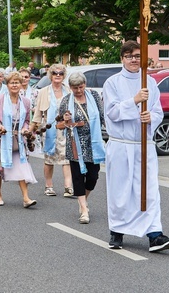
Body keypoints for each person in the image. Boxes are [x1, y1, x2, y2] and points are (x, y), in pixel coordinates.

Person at [103, 40, 169, 252]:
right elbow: (112, 113)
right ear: (122, 58)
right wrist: (134, 101)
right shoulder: (113, 83)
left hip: (144, 144)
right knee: (121, 191)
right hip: (121, 145)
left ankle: (155, 234)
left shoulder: (151, 83)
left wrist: (150, 118)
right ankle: (117, 230)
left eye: (137, 56)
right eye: (129, 56)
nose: (134, 60)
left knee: (149, 190)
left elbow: (158, 111)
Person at [57, 71, 105, 224]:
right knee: (77, 177)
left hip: (93, 142)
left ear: (85, 84)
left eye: (81, 87)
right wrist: (65, 120)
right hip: (75, 143)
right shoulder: (66, 101)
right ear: (70, 87)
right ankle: (84, 209)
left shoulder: (94, 96)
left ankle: (83, 199)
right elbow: (59, 125)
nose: (78, 90)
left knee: (93, 176)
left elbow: (102, 115)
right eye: (75, 88)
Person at [0, 72, 37, 208]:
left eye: (17, 82)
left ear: (21, 85)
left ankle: (26, 198)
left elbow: (27, 120)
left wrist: (25, 129)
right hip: (1, 138)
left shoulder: (26, 102)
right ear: (7, 85)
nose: (14, 85)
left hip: (18, 140)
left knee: (22, 165)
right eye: (12, 82)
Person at [31, 64, 74, 198]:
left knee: (67, 158)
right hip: (49, 129)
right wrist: (33, 129)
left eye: (61, 73)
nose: (58, 75)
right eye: (55, 73)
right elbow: (38, 112)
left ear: (64, 76)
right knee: (49, 159)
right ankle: (49, 186)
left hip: (66, 129)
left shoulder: (68, 90)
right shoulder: (44, 91)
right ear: (50, 75)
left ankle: (68, 187)